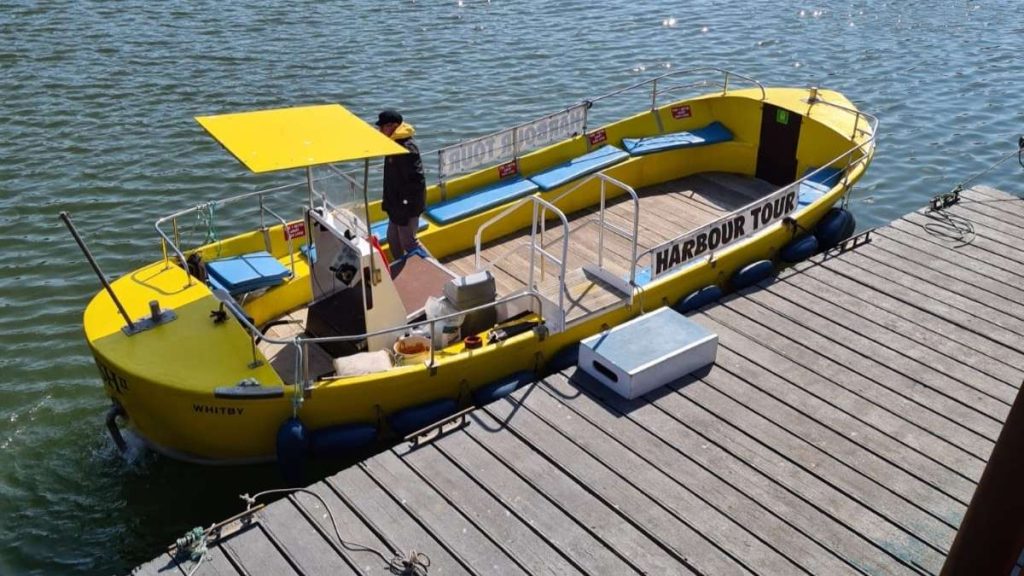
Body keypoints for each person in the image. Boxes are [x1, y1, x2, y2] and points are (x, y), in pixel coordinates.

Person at [376, 109, 426, 260]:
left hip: (406, 207)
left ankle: (434, 267)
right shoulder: (393, 144)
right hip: (395, 206)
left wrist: (404, 205)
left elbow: (416, 181)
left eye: (382, 127)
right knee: (393, 238)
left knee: (409, 242)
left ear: (393, 126)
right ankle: (401, 266)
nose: (380, 130)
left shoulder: (406, 148)